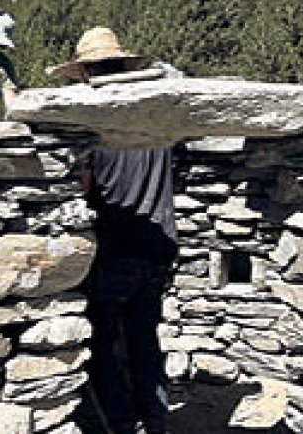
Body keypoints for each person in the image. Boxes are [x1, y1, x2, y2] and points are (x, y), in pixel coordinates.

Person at [48, 27, 177, 434]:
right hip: (159, 245)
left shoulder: (95, 128)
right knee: (143, 339)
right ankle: (157, 419)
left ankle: (121, 422)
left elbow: (85, 188)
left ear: (87, 72)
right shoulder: (158, 122)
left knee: (100, 341)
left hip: (116, 246)